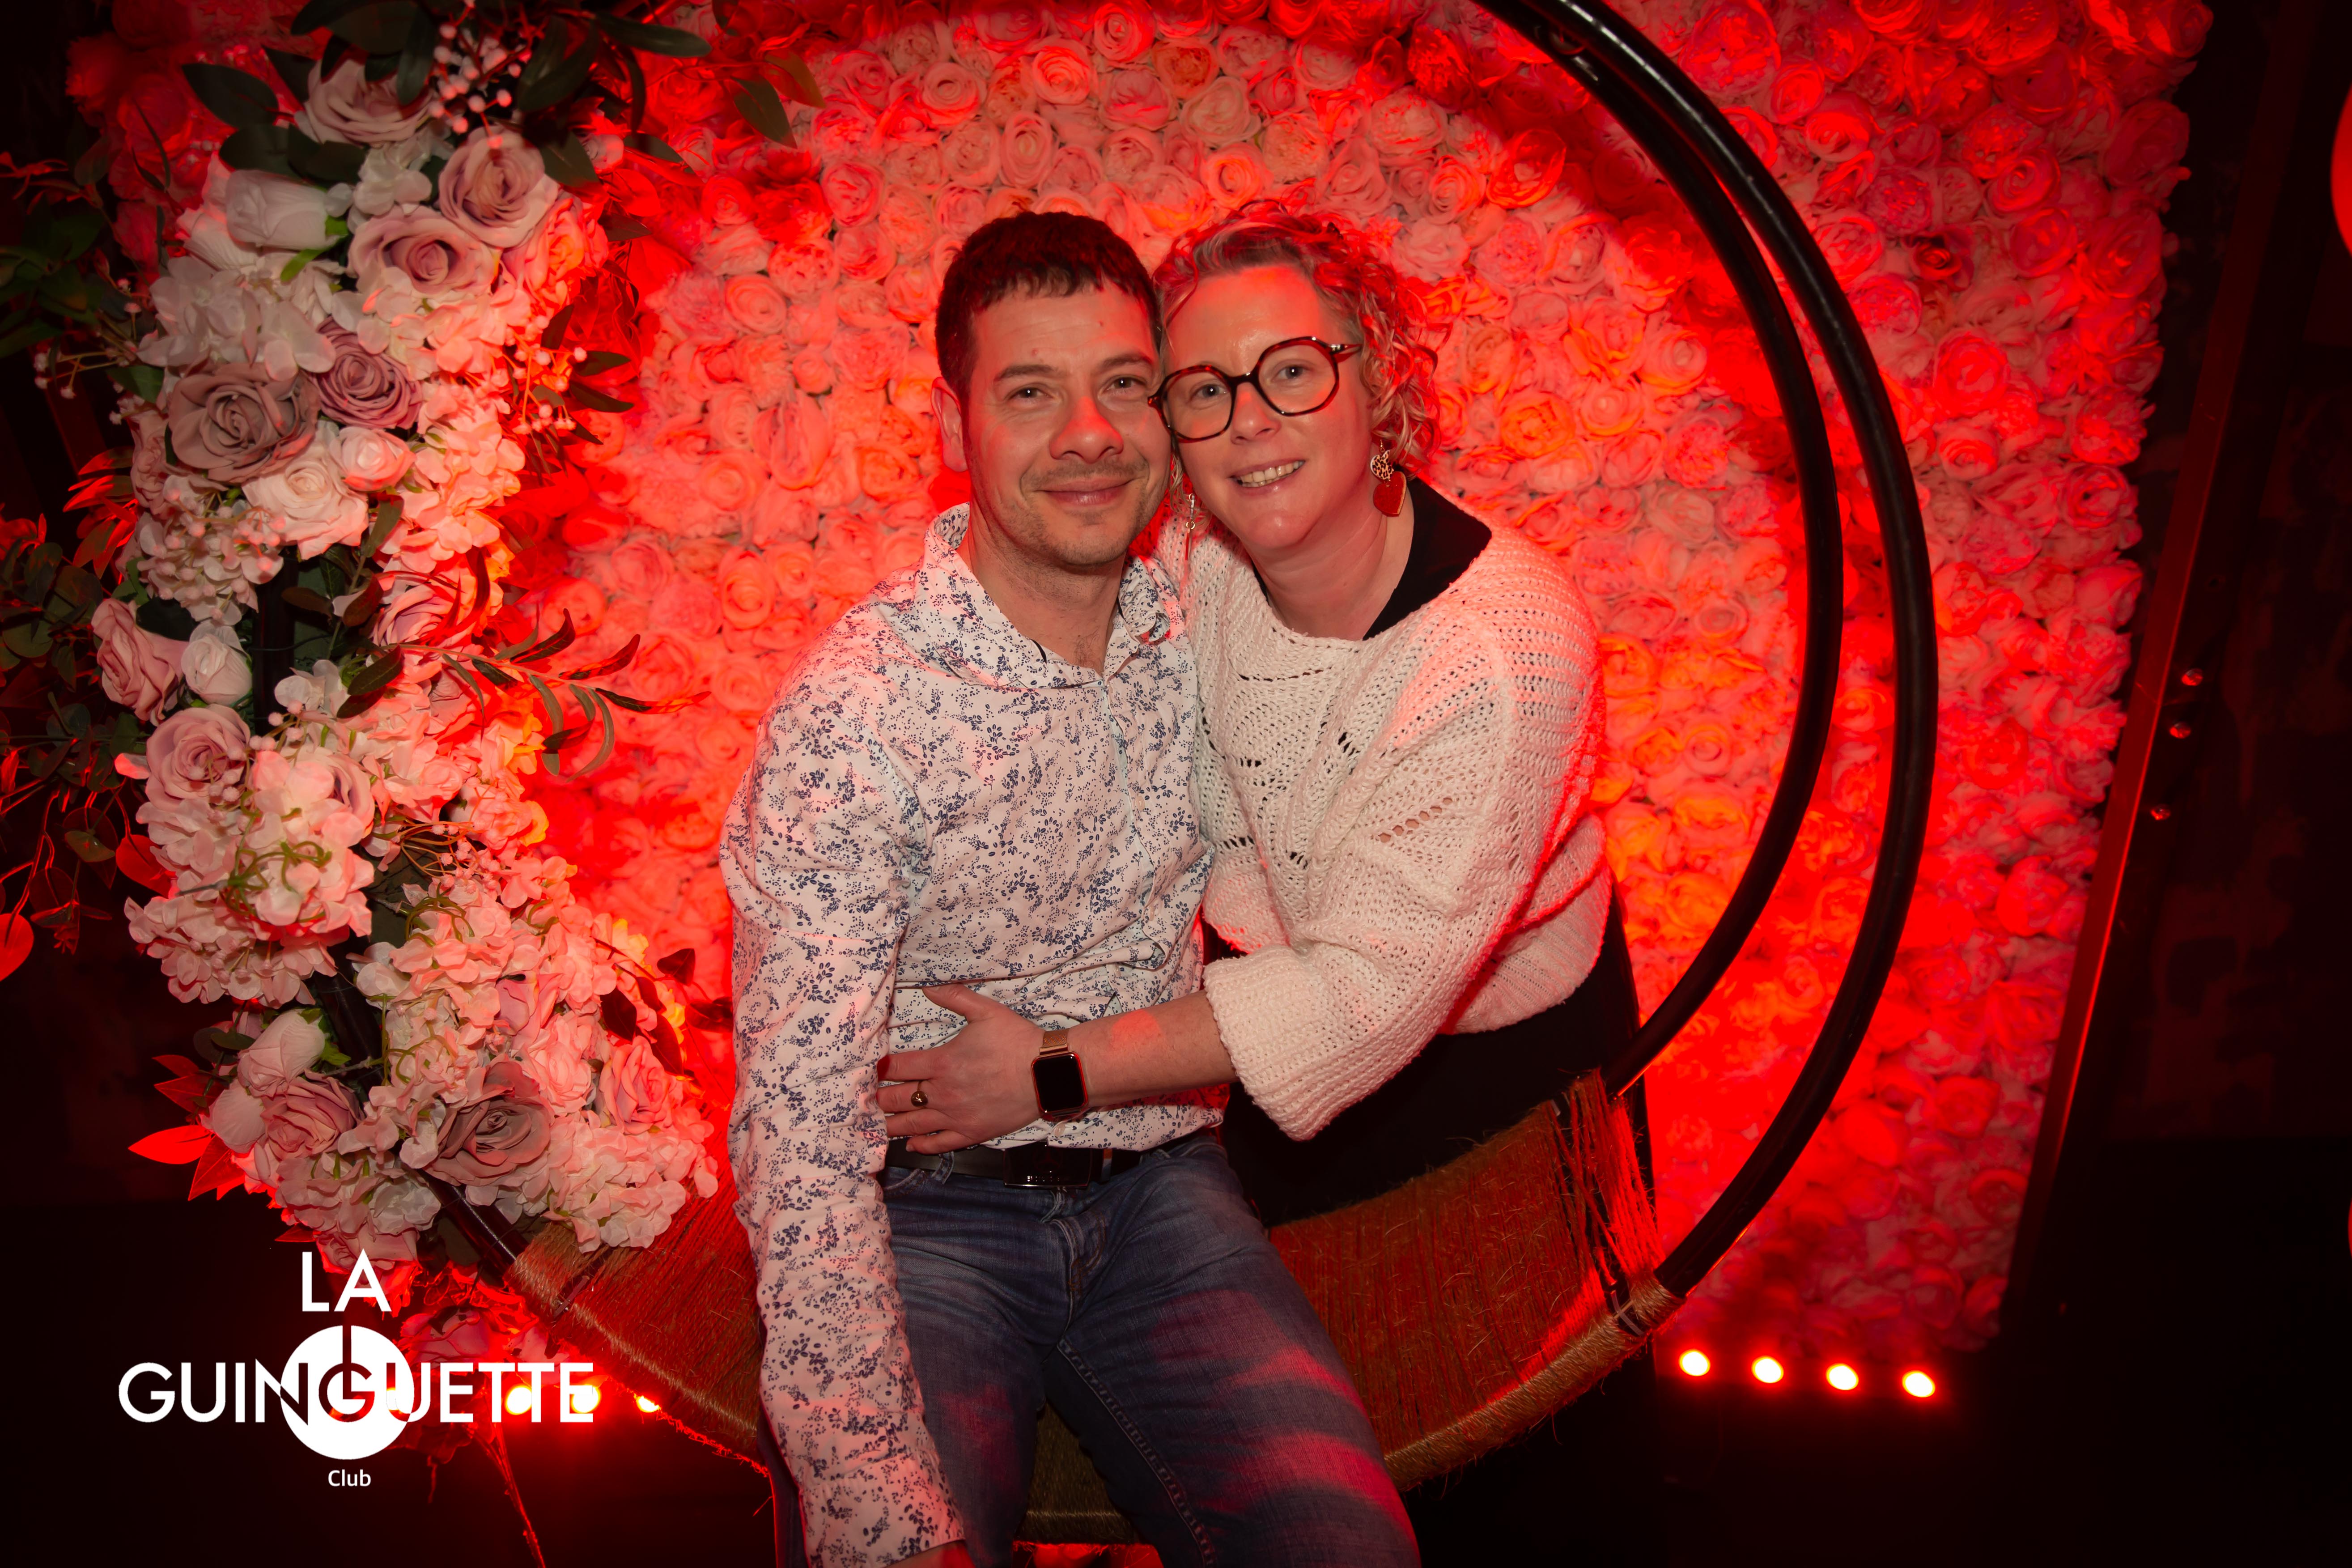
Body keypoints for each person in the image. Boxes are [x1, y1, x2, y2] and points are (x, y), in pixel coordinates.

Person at [874, 205, 1650, 1550]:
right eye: (1203, 389)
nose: (1249, 422)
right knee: (1291, 1439)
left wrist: (1049, 1068)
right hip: (1243, 1041)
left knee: (1505, 1450)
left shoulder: (1502, 649)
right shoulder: (1195, 567)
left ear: (1379, 381)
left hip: (1485, 1079)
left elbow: (1362, 995)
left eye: (1292, 370)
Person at [723, 210, 1416, 1568]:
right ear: (956, 425)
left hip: (1165, 1191)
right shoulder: (859, 715)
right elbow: (797, 1139)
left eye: (1123, 385)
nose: (1089, 434)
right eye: (1032, 393)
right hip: (924, 1210)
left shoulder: (1207, 626)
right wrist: (875, 1511)